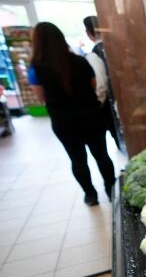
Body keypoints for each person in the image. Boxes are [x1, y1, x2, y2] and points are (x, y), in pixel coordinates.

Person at [28, 22, 115, 206]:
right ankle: (111, 190)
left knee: (77, 159)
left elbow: (41, 97)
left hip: (63, 121)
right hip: (91, 116)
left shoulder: (36, 69)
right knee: (101, 155)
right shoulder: (80, 61)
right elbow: (94, 85)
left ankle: (90, 195)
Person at [83, 16, 120, 149]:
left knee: (119, 135)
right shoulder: (118, 47)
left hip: (110, 106)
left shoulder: (94, 55)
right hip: (126, 100)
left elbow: (101, 87)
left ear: (88, 33)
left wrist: (98, 105)